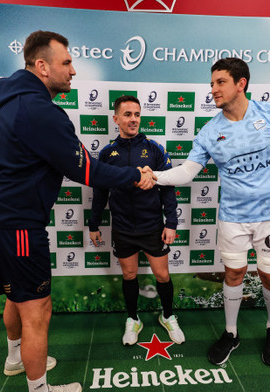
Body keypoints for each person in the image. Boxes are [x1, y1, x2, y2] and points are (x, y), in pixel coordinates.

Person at [0, 31, 156, 392]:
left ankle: (14, 357)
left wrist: (7, 174)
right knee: (37, 310)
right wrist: (135, 175)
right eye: (67, 63)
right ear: (42, 66)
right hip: (19, 226)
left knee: (15, 295)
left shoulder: (3, 92)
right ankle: (39, 388)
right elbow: (88, 171)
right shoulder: (42, 112)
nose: (73, 71)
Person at [153, 57, 270, 367]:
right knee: (234, 273)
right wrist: (154, 176)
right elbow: (187, 171)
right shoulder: (210, 131)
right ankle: (231, 333)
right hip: (233, 218)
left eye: (220, 82)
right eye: (211, 83)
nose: (213, 89)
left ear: (241, 84)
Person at [88, 95, 185, 346]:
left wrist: (171, 222)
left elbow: (168, 188)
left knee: (162, 276)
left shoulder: (155, 149)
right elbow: (100, 192)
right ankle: (133, 319)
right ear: (116, 118)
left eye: (137, 114)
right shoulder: (108, 153)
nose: (133, 119)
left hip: (153, 226)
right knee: (129, 275)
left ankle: (168, 316)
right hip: (122, 228)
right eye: (128, 114)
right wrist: (94, 224)